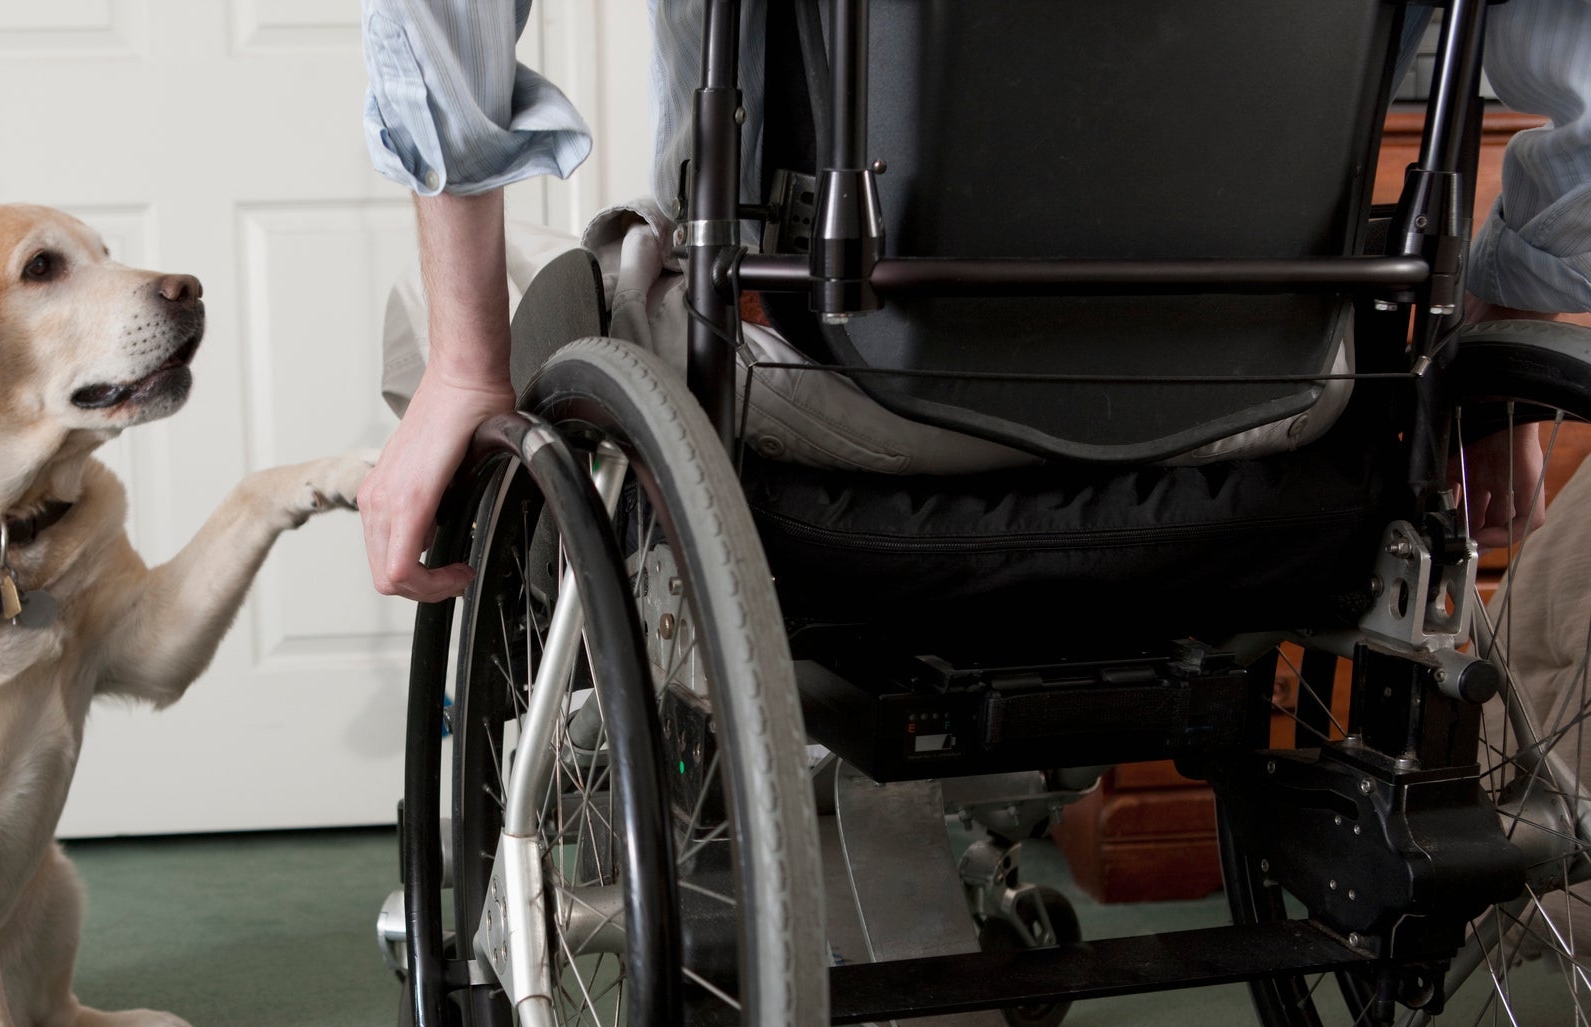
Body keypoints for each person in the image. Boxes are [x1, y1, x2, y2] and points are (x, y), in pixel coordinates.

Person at [357, 1, 1591, 601]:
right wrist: (1500, 317)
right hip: (1269, 393)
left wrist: (469, 364)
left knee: (463, 327)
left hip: (818, 380)